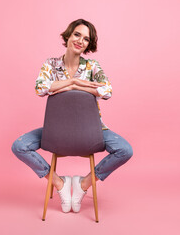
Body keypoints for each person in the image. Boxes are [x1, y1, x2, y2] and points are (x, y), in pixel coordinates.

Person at [11, 19, 133, 213]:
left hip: (92, 130)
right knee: (19, 146)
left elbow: (107, 90)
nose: (80, 40)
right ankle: (58, 183)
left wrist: (69, 85)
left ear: (88, 45)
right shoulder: (50, 64)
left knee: (125, 150)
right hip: (56, 130)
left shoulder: (93, 66)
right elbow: (40, 87)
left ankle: (82, 184)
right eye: (77, 34)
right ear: (68, 35)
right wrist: (75, 82)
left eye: (86, 39)